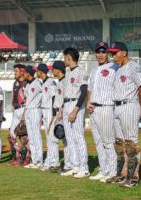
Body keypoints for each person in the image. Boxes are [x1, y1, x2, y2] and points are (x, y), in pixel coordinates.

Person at [106, 42, 141, 187]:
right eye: (111, 53)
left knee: (131, 143)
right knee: (120, 143)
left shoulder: (133, 66)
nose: (113, 56)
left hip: (129, 105)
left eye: (115, 52)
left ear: (124, 52)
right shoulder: (118, 69)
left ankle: (134, 177)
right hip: (117, 107)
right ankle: (122, 174)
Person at [87, 42, 118, 182]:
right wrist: (89, 101)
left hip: (106, 107)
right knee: (98, 142)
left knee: (108, 141)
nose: (100, 54)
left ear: (108, 53)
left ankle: (112, 171)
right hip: (94, 109)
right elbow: (90, 89)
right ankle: (104, 169)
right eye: (98, 52)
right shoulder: (94, 71)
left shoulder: (114, 67)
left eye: (103, 52)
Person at [60, 47, 90, 179]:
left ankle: (84, 168)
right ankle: (75, 166)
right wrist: (62, 109)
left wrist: (76, 109)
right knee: (70, 138)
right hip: (66, 104)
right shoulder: (67, 73)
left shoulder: (81, 71)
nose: (64, 60)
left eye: (65, 57)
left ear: (68, 58)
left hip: (75, 104)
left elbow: (84, 91)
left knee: (78, 137)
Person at [36, 63, 60, 172]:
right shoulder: (44, 83)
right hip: (45, 111)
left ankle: (55, 163)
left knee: (52, 138)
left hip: (51, 111)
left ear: (41, 72)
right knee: (48, 138)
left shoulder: (51, 82)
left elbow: (55, 98)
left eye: (37, 71)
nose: (36, 72)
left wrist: (54, 115)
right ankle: (50, 161)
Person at [49, 60, 71, 173]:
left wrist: (61, 112)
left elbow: (66, 98)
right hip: (58, 112)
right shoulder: (59, 82)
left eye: (53, 69)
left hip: (63, 112)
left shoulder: (65, 81)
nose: (52, 71)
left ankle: (68, 166)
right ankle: (56, 164)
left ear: (58, 70)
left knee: (66, 140)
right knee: (54, 138)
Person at [7, 64, 30, 166]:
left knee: (24, 136)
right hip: (16, 110)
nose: (15, 72)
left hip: (23, 109)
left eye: (16, 71)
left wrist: (25, 115)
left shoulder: (26, 83)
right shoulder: (15, 83)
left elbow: (28, 100)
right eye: (14, 71)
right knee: (11, 135)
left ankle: (25, 159)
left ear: (22, 71)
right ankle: (17, 156)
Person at [23, 65, 43, 169]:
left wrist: (43, 114)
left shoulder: (38, 82)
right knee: (31, 137)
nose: (23, 74)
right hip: (28, 110)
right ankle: (34, 160)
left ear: (29, 73)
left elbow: (44, 95)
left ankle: (39, 160)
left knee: (36, 135)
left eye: (24, 72)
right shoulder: (27, 85)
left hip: (36, 109)